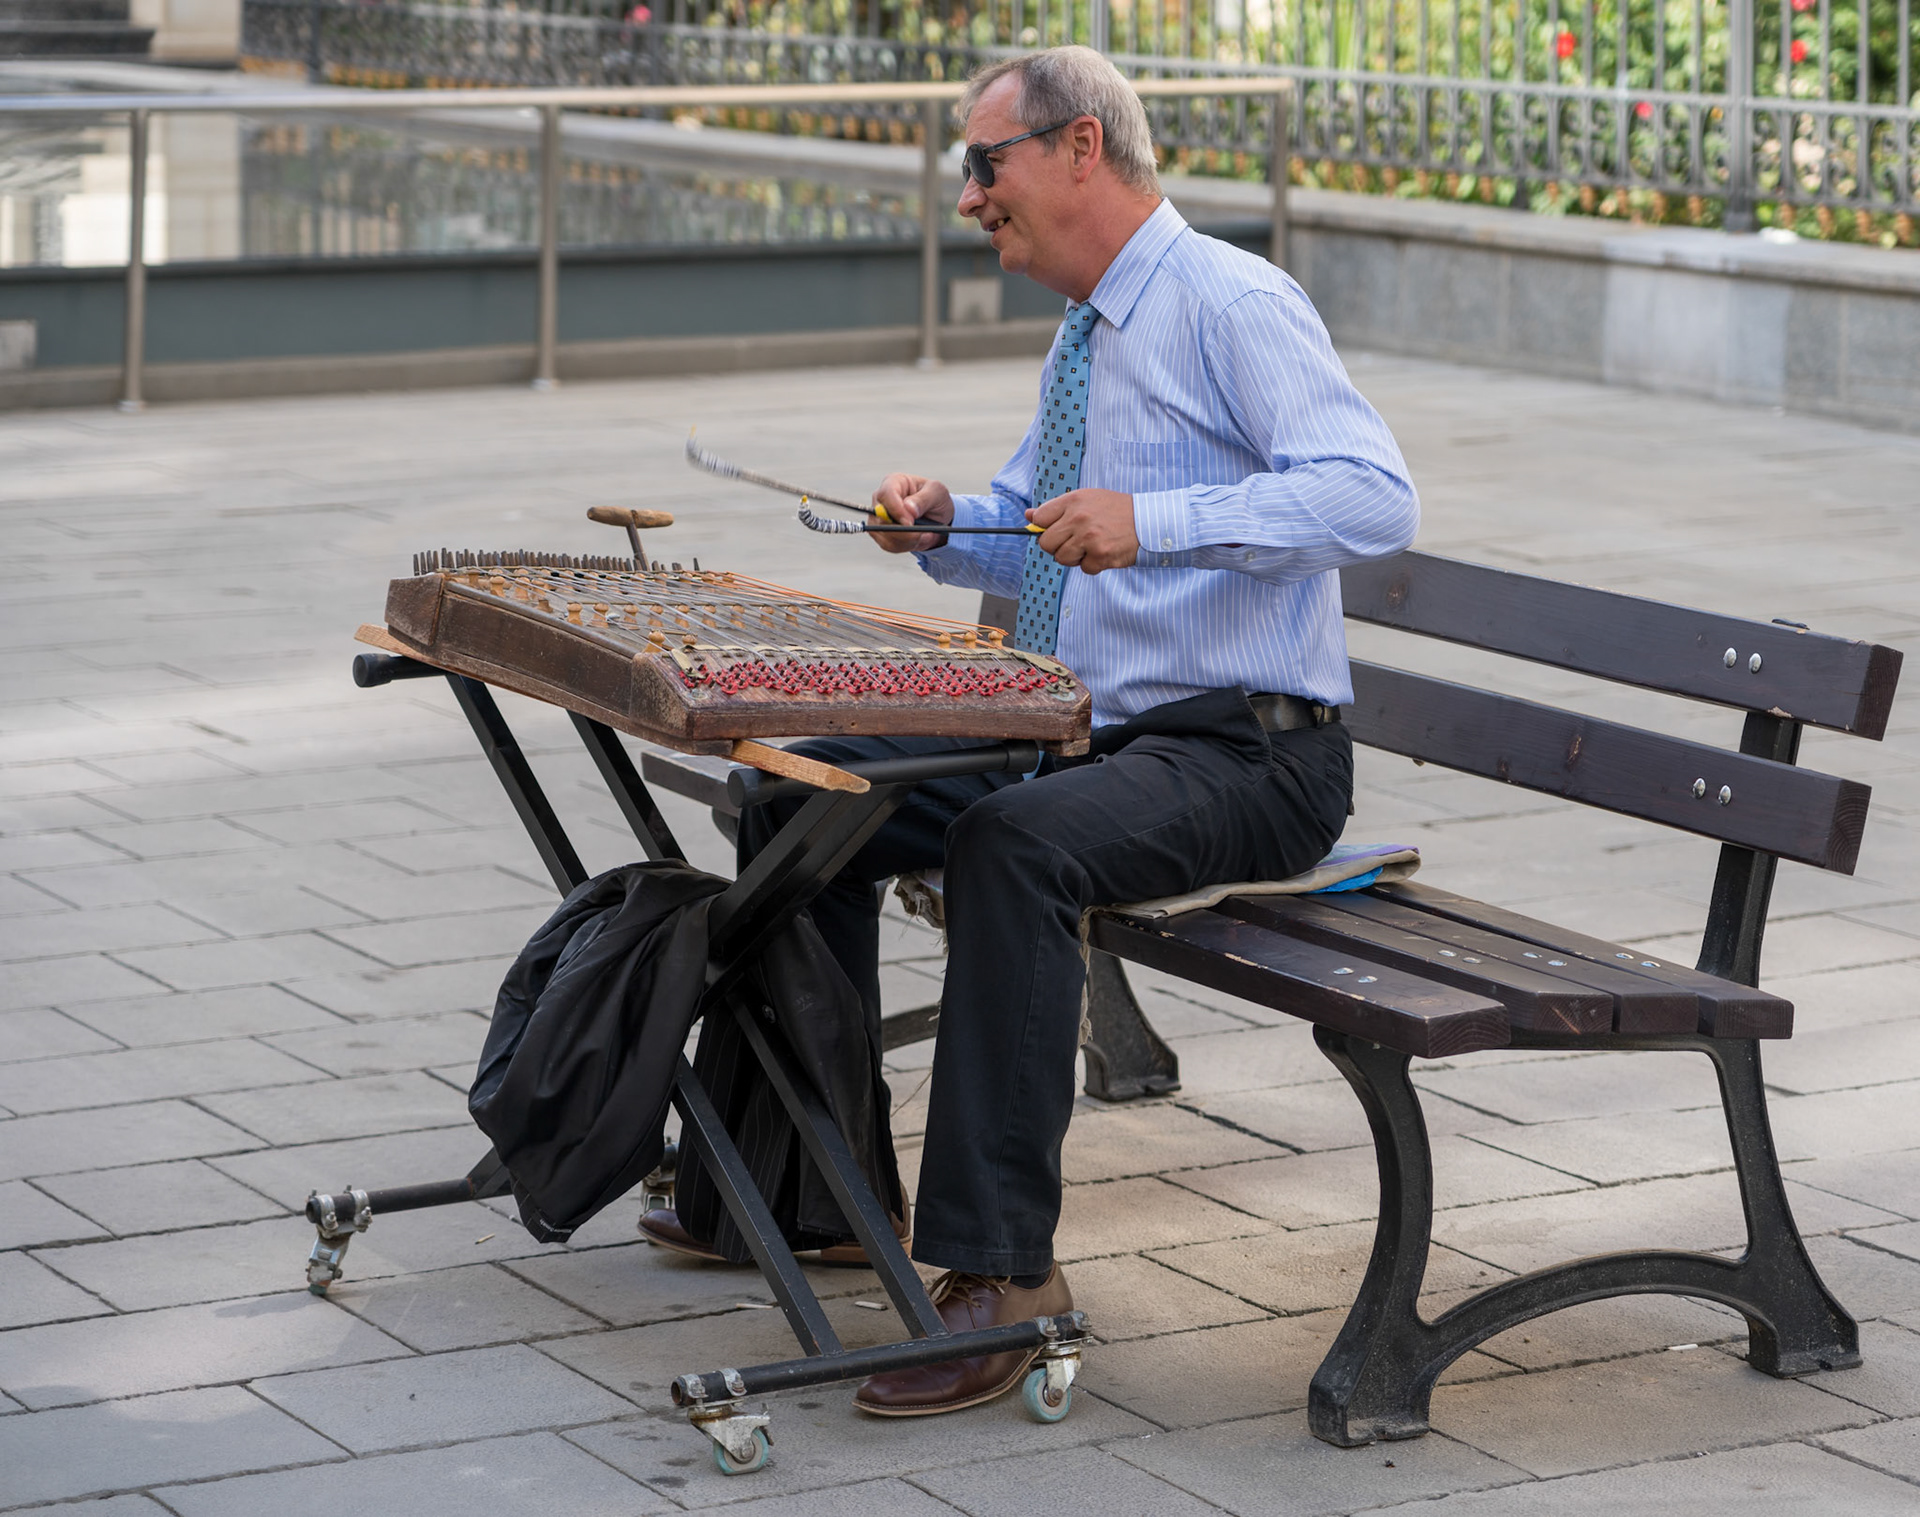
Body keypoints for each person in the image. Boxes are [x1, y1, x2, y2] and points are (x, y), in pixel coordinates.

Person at [649, 44, 1420, 1418]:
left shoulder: (1231, 302)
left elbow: (1373, 498)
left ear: (1080, 149)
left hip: (1251, 751)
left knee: (1011, 844)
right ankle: (814, 1189)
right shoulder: (1086, 333)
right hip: (1089, 735)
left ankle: (1006, 1279)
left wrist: (1158, 520)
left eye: (983, 164)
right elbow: (1027, 532)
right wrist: (943, 525)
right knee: (807, 794)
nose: (967, 198)